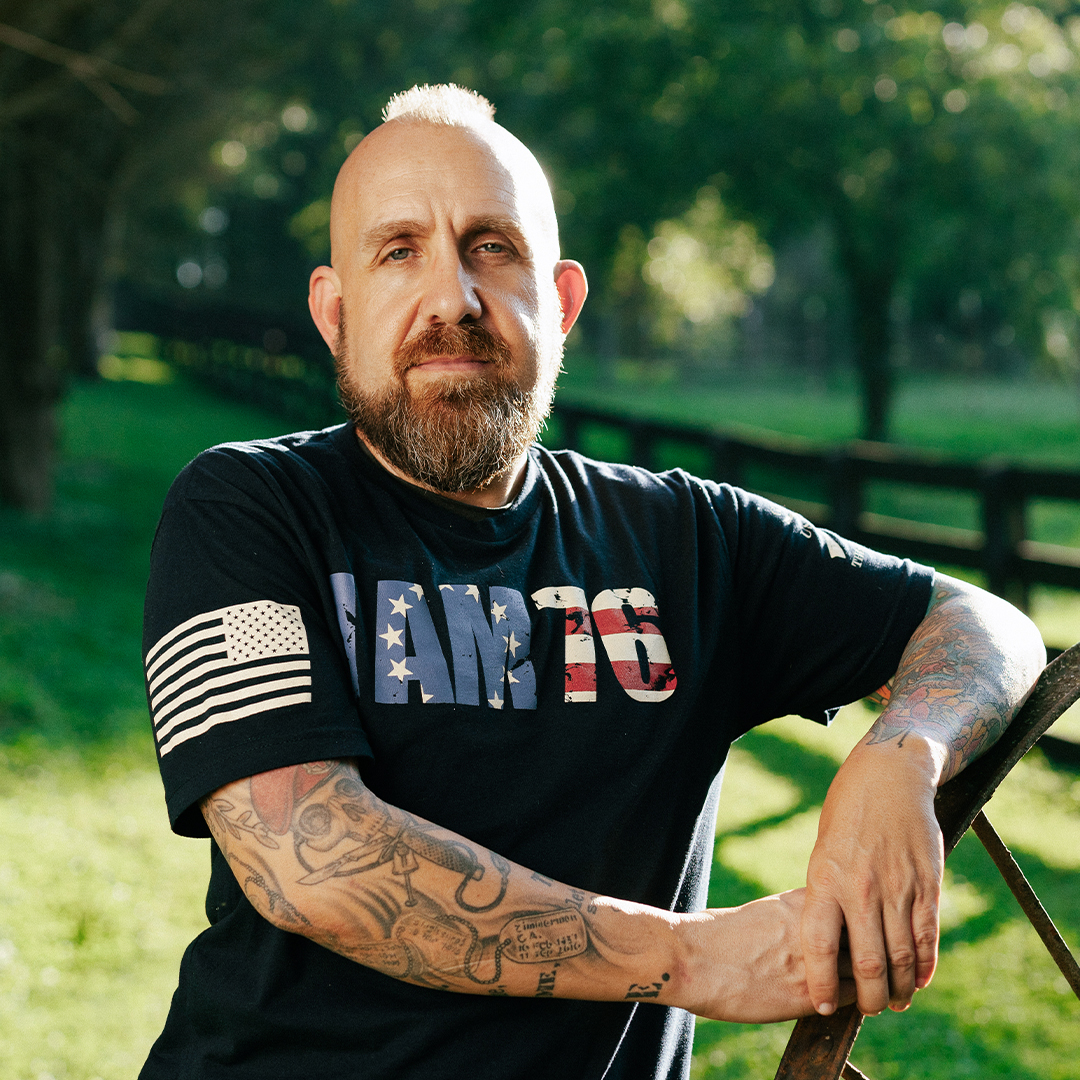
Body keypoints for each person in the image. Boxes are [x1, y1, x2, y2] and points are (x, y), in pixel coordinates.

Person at [139, 84, 1044, 1079]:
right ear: (334, 311)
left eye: (493, 247)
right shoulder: (249, 510)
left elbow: (983, 622)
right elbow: (304, 856)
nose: (453, 299)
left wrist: (904, 754)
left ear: (561, 302)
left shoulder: (688, 542)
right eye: (400, 251)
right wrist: (691, 959)